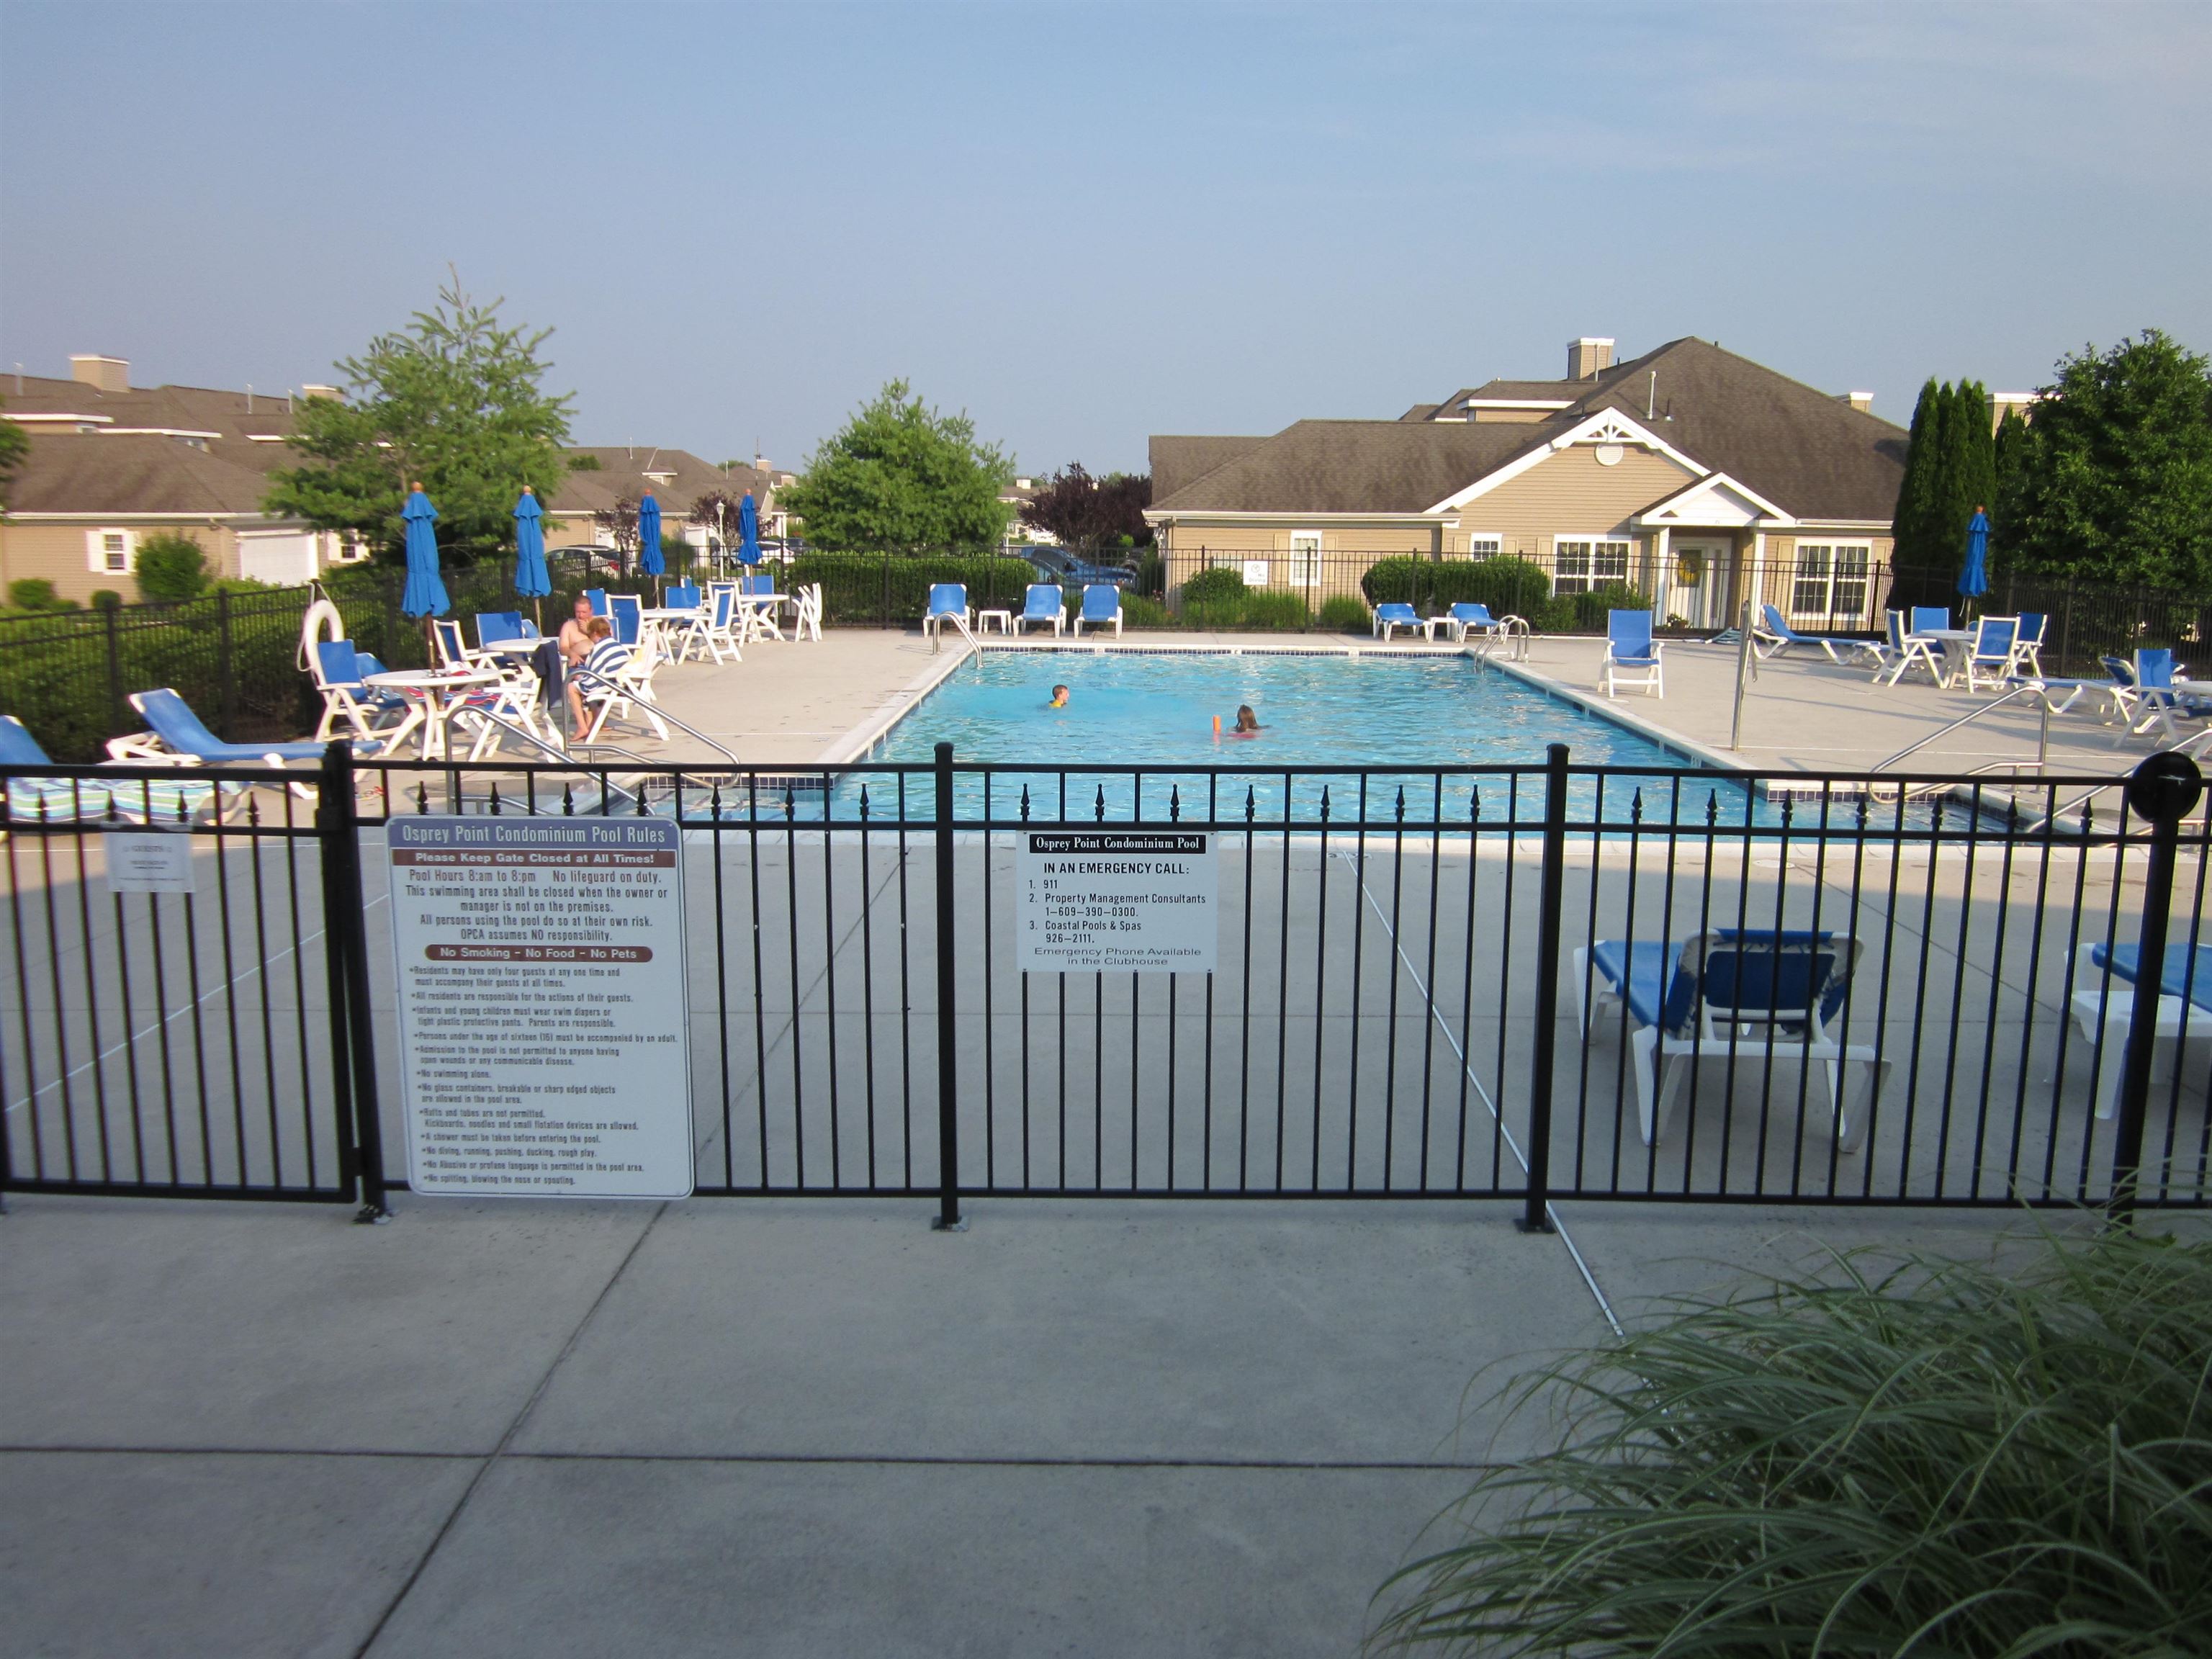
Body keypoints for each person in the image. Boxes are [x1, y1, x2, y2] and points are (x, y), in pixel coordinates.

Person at [566, 617, 614, 734]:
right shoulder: (616, 645)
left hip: (609, 685)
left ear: (595, 634)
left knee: (572, 687)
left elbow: (591, 678)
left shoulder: (598, 649)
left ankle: (583, 727)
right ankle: (595, 721)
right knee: (581, 681)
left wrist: (578, 677)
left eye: (590, 636)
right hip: (618, 682)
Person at [558, 595, 599, 669]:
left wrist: (588, 632)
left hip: (600, 663)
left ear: (591, 611)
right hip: (578, 664)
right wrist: (572, 654)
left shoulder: (601, 623)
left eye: (584, 612)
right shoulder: (568, 626)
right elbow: (563, 648)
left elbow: (607, 642)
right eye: (578, 612)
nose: (581, 615)